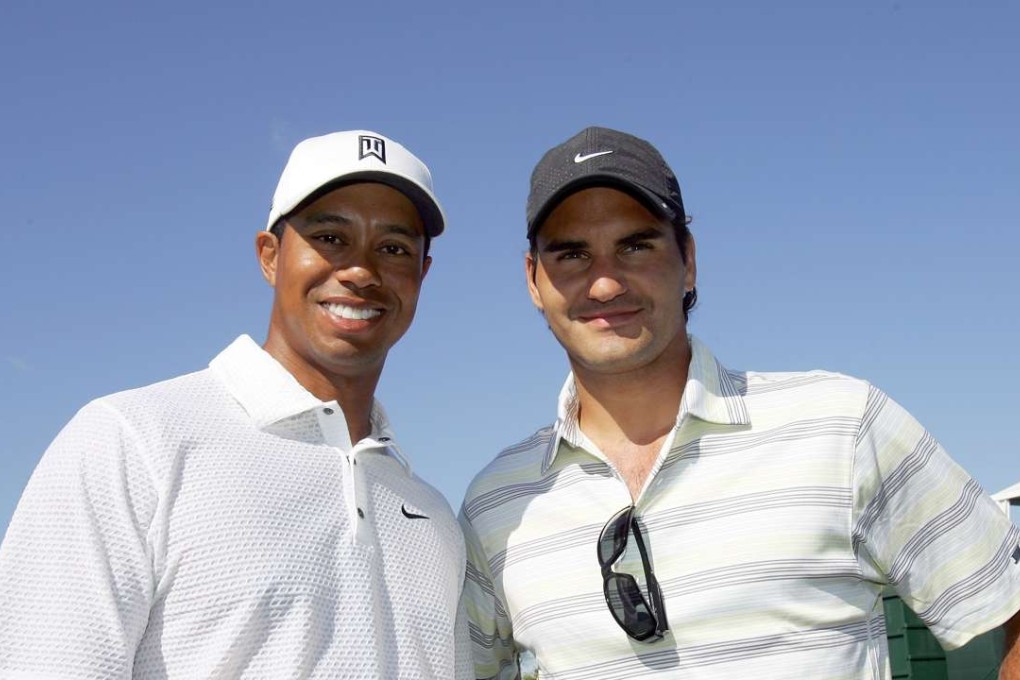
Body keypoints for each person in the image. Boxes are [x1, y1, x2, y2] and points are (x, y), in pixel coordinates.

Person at [460, 126, 1020, 679]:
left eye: (636, 245)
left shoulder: (842, 427)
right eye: (572, 254)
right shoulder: (495, 504)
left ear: (688, 259)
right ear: (533, 280)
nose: (605, 284)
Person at [0, 130, 472, 679]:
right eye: (330, 237)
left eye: (393, 248)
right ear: (270, 256)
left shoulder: (432, 516)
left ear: (422, 274)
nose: (361, 271)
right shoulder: (131, 442)